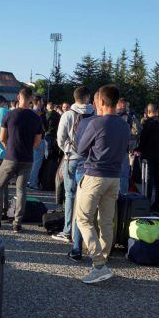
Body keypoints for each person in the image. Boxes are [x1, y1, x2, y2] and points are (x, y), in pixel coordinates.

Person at [73, 84, 130, 284]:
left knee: (83, 219)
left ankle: (98, 264)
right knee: (106, 221)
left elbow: (80, 149)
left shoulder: (97, 124)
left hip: (95, 175)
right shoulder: (124, 124)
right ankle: (103, 259)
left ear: (102, 102)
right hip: (114, 177)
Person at [0, 87, 42, 233]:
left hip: (11, 157)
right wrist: (28, 149)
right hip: (27, 158)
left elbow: (2, 138)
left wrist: (10, 148)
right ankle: (17, 223)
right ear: (31, 98)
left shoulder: (9, 115)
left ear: (19, 97)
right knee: (21, 190)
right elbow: (37, 142)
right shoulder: (36, 118)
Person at [54, 86, 94, 243]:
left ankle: (68, 230)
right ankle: (84, 231)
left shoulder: (67, 115)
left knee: (69, 195)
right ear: (87, 97)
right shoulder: (94, 114)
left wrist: (66, 151)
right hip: (89, 159)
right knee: (85, 196)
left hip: (71, 157)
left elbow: (60, 138)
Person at [136, 103, 159, 211]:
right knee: (158, 181)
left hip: (148, 155)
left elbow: (143, 140)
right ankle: (157, 204)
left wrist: (138, 149)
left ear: (148, 112)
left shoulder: (148, 124)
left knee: (148, 181)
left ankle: (147, 203)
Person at [27, 96, 47, 190]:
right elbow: (43, 128)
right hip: (39, 139)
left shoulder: (30, 112)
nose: (43, 102)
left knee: (32, 162)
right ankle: (33, 182)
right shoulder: (40, 113)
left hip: (30, 140)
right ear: (38, 102)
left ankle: (29, 181)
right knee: (37, 163)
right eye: (42, 100)